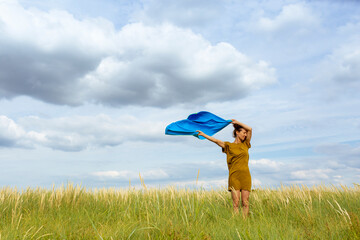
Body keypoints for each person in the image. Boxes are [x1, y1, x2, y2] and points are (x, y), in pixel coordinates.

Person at [196, 120, 252, 217]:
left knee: (245, 203)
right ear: (237, 133)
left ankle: (245, 223)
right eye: (243, 133)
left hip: (246, 176)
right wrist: (204, 135)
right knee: (235, 203)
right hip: (234, 177)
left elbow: (250, 129)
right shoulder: (228, 146)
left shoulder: (245, 144)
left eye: (246, 134)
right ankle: (237, 222)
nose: (245, 135)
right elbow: (216, 141)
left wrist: (236, 122)